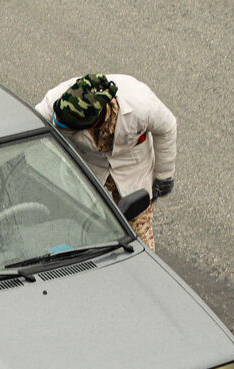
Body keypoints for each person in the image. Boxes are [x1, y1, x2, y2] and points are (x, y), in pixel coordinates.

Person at [36, 73, 177, 251]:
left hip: (132, 169)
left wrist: (164, 175)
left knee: (140, 242)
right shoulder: (54, 101)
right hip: (89, 171)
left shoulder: (141, 106)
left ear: (93, 123)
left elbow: (167, 128)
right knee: (84, 234)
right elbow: (29, 126)